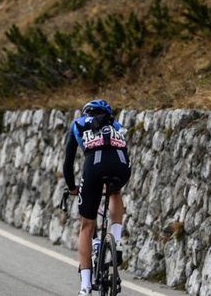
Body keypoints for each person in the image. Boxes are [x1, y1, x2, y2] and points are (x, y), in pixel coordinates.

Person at [63, 99, 132, 296]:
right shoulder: (116, 125)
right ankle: (117, 240)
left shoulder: (79, 124)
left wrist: (72, 187)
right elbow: (121, 151)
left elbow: (68, 163)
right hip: (121, 167)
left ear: (87, 113)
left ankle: (85, 286)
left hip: (94, 167)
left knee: (86, 226)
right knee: (115, 192)